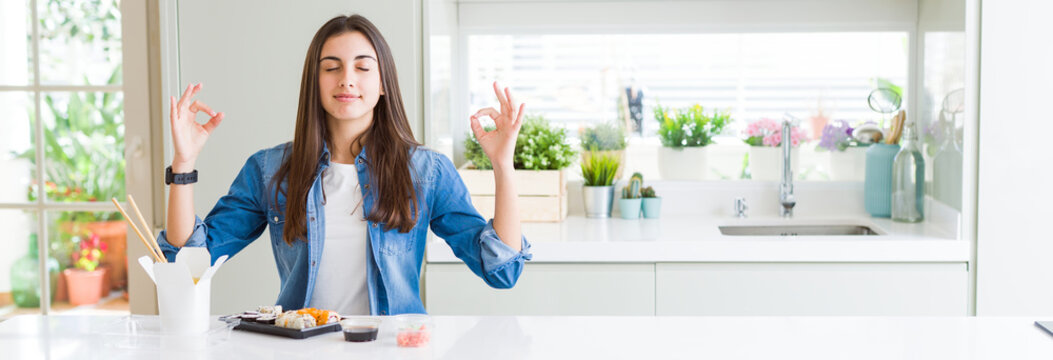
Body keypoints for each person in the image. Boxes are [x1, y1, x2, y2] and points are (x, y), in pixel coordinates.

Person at [157, 14, 531, 316]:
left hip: (393, 349)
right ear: (315, 83)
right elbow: (188, 264)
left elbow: (501, 269)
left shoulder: (425, 171)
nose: (347, 80)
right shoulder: (269, 170)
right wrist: (183, 163)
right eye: (331, 68)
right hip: (301, 348)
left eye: (363, 68)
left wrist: (502, 165)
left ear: (383, 83)